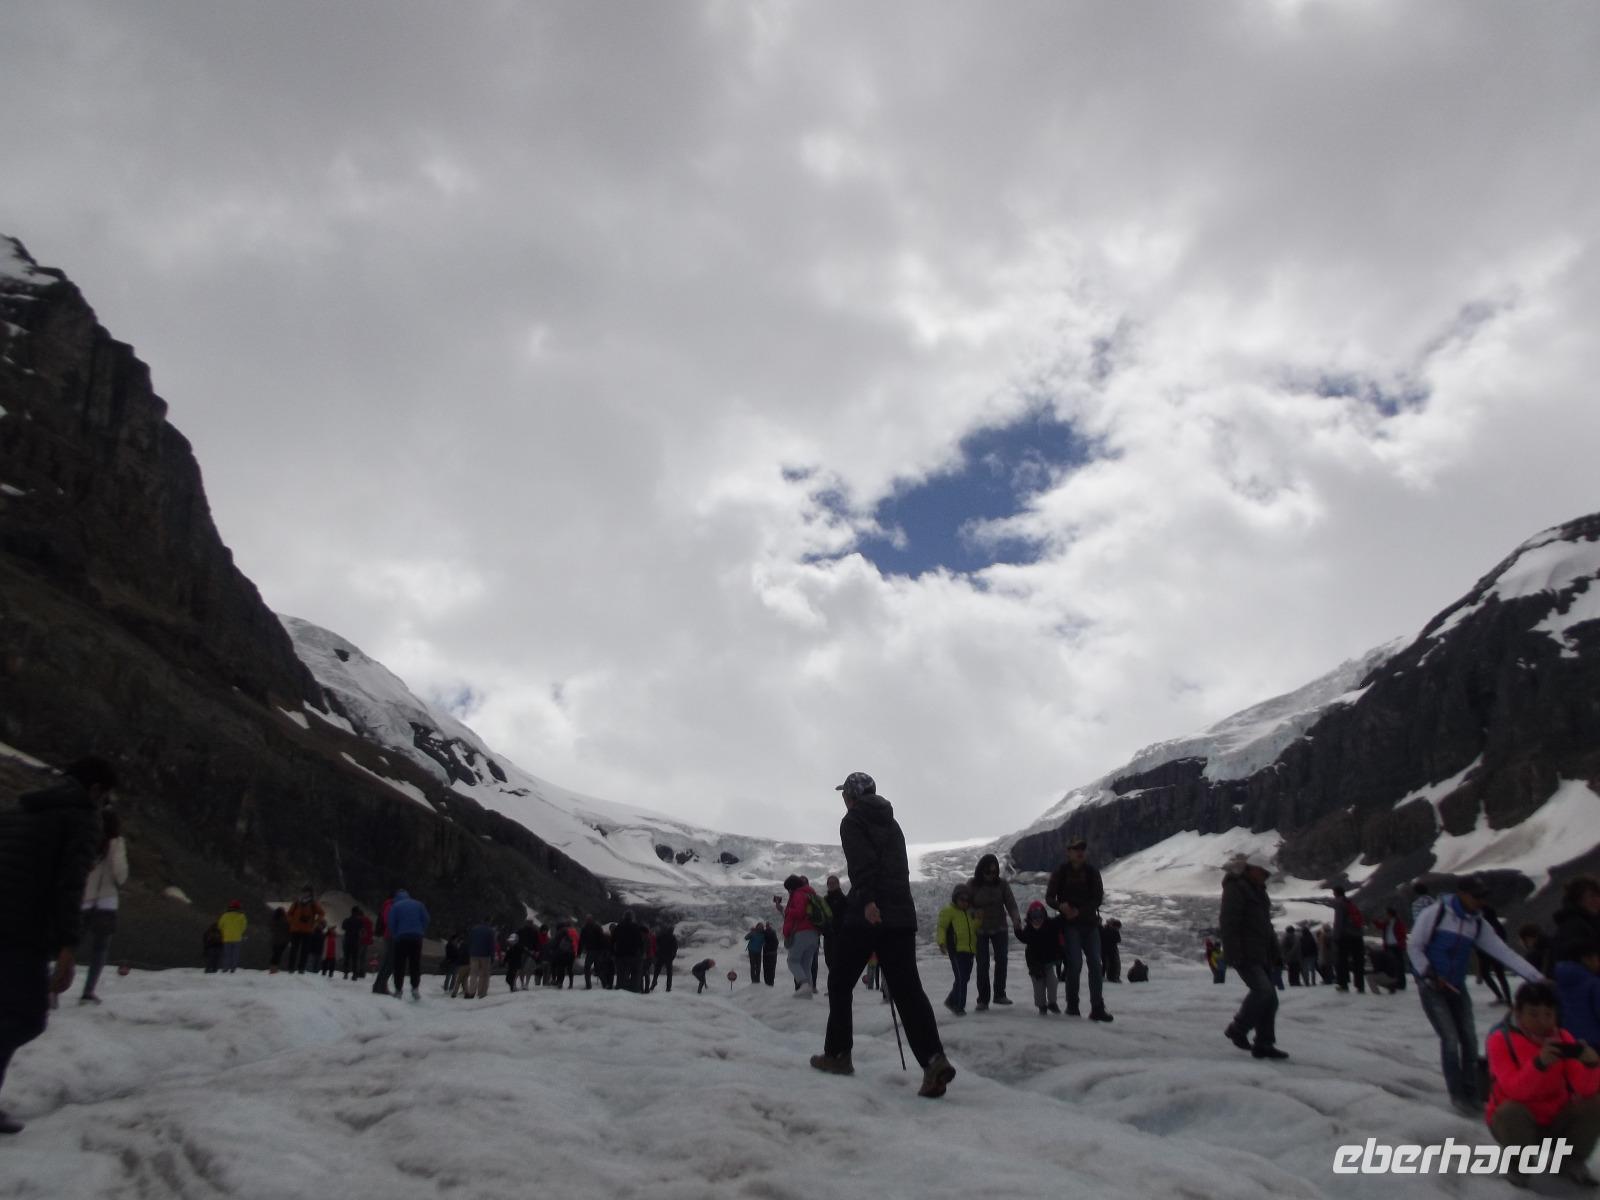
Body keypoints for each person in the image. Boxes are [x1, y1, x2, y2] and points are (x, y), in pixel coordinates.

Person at [809, 771, 956, 1100]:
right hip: (901, 915)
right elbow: (898, 870)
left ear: (852, 795)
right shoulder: (892, 822)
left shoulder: (852, 821)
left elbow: (863, 866)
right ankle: (934, 1060)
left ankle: (838, 1055)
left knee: (840, 980)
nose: (843, 800)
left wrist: (870, 902)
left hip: (867, 913)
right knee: (907, 990)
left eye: (844, 794)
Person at [0, 755, 115, 1135]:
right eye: (105, 796)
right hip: (24, 933)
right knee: (25, 1017)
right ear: (95, 790)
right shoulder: (80, 817)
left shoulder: (21, 806)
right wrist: (68, 945)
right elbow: (70, 885)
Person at [1408, 875, 1547, 1116]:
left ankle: (1472, 1093)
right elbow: (1414, 945)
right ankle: (1457, 1095)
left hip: (1456, 986)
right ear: (1462, 894)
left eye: (1483, 897)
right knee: (1451, 1040)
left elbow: (1505, 953)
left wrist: (1539, 980)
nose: (1481, 902)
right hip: (1431, 986)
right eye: (1476, 896)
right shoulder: (1436, 913)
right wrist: (1428, 973)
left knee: (1470, 1040)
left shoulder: (1478, 924)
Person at [1484, 981, 1600, 1187]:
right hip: (1517, 1120)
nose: (1543, 1021)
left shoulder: (1563, 1038)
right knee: (1510, 1111)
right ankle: (1519, 1163)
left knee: (1594, 1102)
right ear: (1518, 1014)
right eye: (1534, 1014)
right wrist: (1539, 1064)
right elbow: (1514, 1090)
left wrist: (1591, 1065)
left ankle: (1569, 1161)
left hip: (1554, 1118)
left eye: (1548, 1014)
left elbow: (1585, 1090)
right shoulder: (1500, 1040)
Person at [1220, 852, 1287, 1060]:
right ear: (1252, 870)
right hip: (1246, 953)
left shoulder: (1257, 890)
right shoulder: (1237, 889)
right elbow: (1229, 923)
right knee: (1263, 991)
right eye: (1264, 872)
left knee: (1271, 1000)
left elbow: (1265, 926)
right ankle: (1238, 1028)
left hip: (1261, 952)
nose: (1266, 876)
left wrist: (1275, 952)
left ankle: (1264, 1044)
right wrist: (1234, 953)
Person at [1046, 837, 1111, 1021]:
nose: (1080, 851)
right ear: (1069, 852)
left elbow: (1097, 898)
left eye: (1082, 848)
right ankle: (1072, 1005)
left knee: (1095, 967)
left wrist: (1078, 911)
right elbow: (1049, 897)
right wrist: (1061, 907)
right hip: (1071, 926)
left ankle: (1097, 1007)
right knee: (1075, 965)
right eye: (1076, 848)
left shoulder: (1092, 872)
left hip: (1089, 925)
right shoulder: (1061, 872)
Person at [77, 803, 127, 1005]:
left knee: (70, 945)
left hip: (84, 899)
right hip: (107, 901)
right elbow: (120, 874)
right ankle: (88, 991)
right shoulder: (116, 843)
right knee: (100, 949)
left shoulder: (87, 839)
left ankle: (53, 987)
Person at [967, 854, 1021, 1010]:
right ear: (981, 870)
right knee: (982, 964)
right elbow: (963, 902)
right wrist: (973, 912)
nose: (991, 875)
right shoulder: (973, 884)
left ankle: (999, 994)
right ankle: (983, 999)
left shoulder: (1002, 884)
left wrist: (1016, 918)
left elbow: (1011, 903)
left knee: (1002, 960)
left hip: (999, 927)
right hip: (980, 929)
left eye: (994, 872)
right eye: (988, 872)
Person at [935, 884, 978, 1016]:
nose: (964, 902)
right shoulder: (949, 911)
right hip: (956, 950)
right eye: (962, 899)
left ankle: (950, 1000)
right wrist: (941, 943)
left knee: (964, 978)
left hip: (970, 950)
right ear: (955, 898)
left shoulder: (969, 912)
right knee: (961, 978)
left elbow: (973, 928)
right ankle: (959, 1006)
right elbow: (941, 927)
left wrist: (979, 919)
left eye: (967, 899)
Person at [1017, 900, 1065, 1014]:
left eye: (1040, 916)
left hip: (1048, 963)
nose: (1037, 920)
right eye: (1034, 917)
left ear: (1044, 916)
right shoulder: (1028, 930)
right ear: (1030, 918)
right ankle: (1041, 1006)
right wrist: (1016, 928)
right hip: (1035, 965)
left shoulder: (1051, 926)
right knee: (1038, 987)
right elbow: (1022, 937)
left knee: (1052, 982)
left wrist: (1059, 954)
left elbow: (1059, 922)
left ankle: (1052, 1003)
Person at [781, 875, 823, 994]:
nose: (788, 891)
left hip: (802, 932)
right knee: (805, 964)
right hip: (814, 934)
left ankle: (804, 985)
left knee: (792, 961)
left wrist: (788, 910)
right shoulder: (810, 894)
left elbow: (799, 913)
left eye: (788, 888)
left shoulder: (798, 894)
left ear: (792, 887)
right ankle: (807, 991)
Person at [387, 889, 429, 1001]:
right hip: (416, 938)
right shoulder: (419, 904)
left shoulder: (396, 906)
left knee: (399, 965)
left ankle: (398, 990)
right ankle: (415, 988)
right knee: (415, 964)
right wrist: (421, 931)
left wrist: (395, 934)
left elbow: (391, 922)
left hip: (401, 938)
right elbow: (426, 919)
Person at [1555, 943, 1600, 1049]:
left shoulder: (1560, 981)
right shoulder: (1593, 983)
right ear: (1586, 959)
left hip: (1568, 1039)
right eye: (1598, 959)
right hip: (1595, 1041)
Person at [1553, 877, 1600, 964]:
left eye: (1598, 895)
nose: (1597, 900)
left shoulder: (1593, 919)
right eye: (1591, 896)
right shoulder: (1571, 924)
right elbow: (1572, 949)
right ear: (1578, 900)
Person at [1331, 886, 1366, 994]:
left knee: (1342, 961)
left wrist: (1336, 937)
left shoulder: (1339, 904)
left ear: (1336, 893)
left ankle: (1343, 984)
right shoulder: (1350, 903)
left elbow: (1339, 922)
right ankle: (1360, 986)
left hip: (1345, 936)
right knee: (1358, 961)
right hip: (1357, 935)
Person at [1477, 905, 1513, 1005]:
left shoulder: (1483, 926)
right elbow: (1504, 939)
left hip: (1486, 954)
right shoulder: (1498, 926)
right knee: (1501, 976)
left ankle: (1500, 996)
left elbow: (1479, 942)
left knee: (1486, 974)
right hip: (1497, 953)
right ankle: (1508, 999)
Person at [285, 888, 325, 975]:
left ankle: (301, 968)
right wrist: (292, 922)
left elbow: (321, 913)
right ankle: (291, 968)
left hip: (307, 930)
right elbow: (289, 914)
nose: (305, 894)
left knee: (304, 950)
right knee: (294, 950)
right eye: (304, 892)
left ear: (310, 894)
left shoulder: (313, 904)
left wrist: (315, 923)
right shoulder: (297, 903)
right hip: (296, 929)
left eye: (307, 892)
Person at [459, 920, 496, 998]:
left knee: (473, 974)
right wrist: (492, 957)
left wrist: (470, 951)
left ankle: (471, 992)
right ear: (488, 922)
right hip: (485, 955)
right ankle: (482, 992)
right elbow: (492, 945)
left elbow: (469, 941)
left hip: (474, 954)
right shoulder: (490, 931)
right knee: (484, 975)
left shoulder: (474, 930)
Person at [219, 901, 248, 973]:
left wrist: (224, 932)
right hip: (237, 938)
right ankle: (233, 968)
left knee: (227, 954)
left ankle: (225, 968)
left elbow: (220, 926)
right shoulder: (242, 916)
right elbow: (244, 926)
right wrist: (239, 932)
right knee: (235, 954)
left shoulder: (225, 915)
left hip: (226, 938)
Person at [340, 907, 365, 980]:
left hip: (347, 940)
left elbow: (343, 927)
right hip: (355, 941)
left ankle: (345, 973)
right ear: (357, 912)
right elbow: (362, 931)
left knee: (346, 958)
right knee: (355, 959)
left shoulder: (346, 920)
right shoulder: (360, 921)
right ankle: (354, 974)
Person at [653, 925, 678, 993]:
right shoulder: (673, 938)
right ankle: (668, 987)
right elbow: (675, 948)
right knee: (669, 973)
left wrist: (656, 953)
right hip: (669, 958)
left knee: (657, 971)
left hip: (660, 956)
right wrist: (673, 957)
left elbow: (655, 942)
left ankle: (653, 983)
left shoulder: (662, 935)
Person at [268, 907, 290, 974]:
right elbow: (288, 929)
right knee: (278, 955)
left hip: (275, 940)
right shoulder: (285, 920)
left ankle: (273, 968)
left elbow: (271, 929)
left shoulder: (274, 920)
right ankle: (274, 969)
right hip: (283, 941)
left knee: (275, 954)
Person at [1101, 918, 1123, 984]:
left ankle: (1113, 977)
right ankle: (1108, 977)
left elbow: (1118, 939)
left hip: (1111, 950)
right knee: (1107, 964)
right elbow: (1117, 939)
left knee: (1113, 964)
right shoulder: (1105, 930)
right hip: (1106, 950)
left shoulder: (1110, 930)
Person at [761, 922, 779, 987]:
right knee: (771, 969)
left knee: (767, 969)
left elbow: (775, 943)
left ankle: (768, 983)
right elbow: (776, 943)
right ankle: (770, 983)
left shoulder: (766, 932)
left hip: (768, 953)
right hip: (772, 954)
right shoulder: (772, 932)